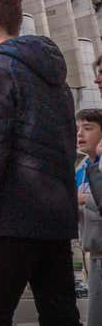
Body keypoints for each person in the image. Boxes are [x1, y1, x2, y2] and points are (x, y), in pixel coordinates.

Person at [0, 0, 81, 326]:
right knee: (61, 315)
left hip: (9, 222)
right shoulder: (58, 83)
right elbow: (69, 150)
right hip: (55, 223)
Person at [78, 108, 102, 326]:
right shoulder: (83, 169)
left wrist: (84, 199)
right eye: (78, 128)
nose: (79, 134)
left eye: (87, 128)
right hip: (93, 256)